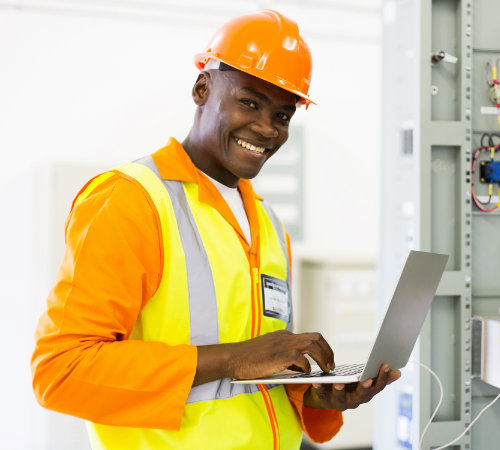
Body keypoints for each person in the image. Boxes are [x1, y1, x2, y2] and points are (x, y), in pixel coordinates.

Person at [30, 9, 400, 450]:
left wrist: (322, 398)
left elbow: (261, 379)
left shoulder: (268, 224)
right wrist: (234, 358)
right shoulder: (131, 201)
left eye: (282, 115)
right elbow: (61, 371)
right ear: (202, 88)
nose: (266, 128)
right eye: (249, 102)